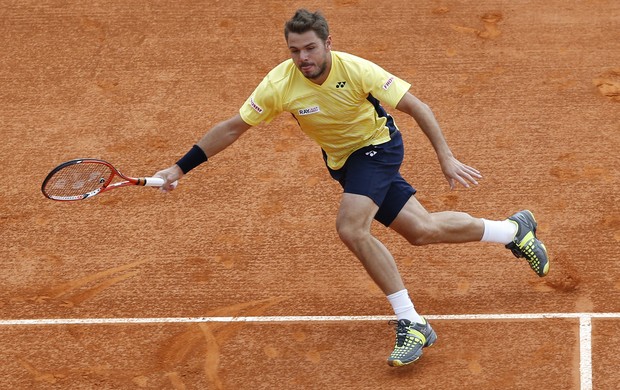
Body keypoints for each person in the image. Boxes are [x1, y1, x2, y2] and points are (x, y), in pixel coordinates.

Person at [154, 9, 549, 367]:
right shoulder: (279, 84)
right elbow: (232, 127)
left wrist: (445, 157)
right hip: (344, 163)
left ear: (328, 43)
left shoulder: (357, 70)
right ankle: (514, 231)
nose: (303, 58)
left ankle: (411, 322)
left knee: (351, 227)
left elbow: (417, 107)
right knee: (422, 231)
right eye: (295, 50)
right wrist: (179, 167)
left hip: (377, 148)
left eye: (310, 48)